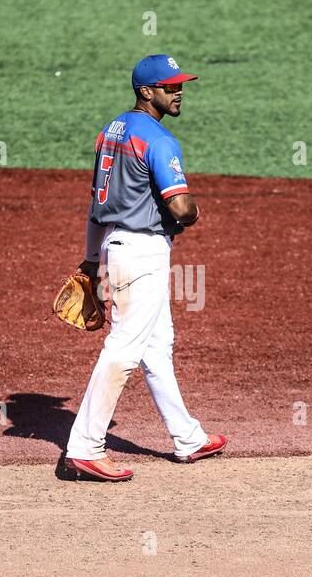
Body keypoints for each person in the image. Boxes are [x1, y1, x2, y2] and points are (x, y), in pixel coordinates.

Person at [62, 54, 227, 481]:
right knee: (124, 350)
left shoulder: (110, 132)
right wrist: (192, 214)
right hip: (142, 254)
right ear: (146, 92)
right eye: (170, 87)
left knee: (157, 347)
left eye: (180, 85)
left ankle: (187, 437)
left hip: (116, 248)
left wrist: (90, 258)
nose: (179, 92)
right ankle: (84, 447)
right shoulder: (158, 140)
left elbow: (96, 208)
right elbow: (179, 205)